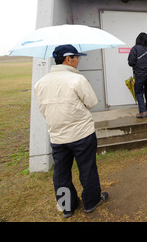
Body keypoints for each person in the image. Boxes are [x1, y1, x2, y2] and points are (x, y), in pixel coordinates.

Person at [34, 44, 108, 218]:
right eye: (77, 58)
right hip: (81, 134)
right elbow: (91, 102)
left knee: (61, 174)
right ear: (68, 59)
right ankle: (91, 202)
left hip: (57, 136)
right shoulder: (77, 80)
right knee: (87, 169)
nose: (78, 61)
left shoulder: (40, 84)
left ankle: (67, 206)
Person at [128, 32, 147, 118]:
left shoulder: (135, 49)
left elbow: (131, 62)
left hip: (139, 74)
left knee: (139, 92)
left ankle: (142, 111)